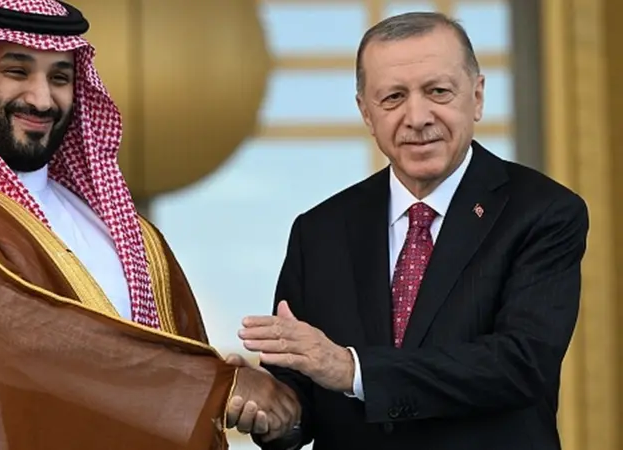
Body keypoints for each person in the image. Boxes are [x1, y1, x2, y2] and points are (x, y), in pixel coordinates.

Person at [0, 0, 299, 449]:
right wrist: (213, 386)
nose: (41, 99)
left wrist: (265, 407)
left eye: (59, 77)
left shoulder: (129, 235)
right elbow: (14, 334)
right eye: (17, 71)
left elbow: (178, 365)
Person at [236, 11, 589, 450]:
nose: (417, 117)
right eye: (393, 97)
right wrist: (272, 407)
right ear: (366, 113)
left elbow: (521, 364)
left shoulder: (543, 212)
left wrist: (355, 370)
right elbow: (303, 395)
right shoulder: (319, 231)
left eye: (438, 91)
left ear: (477, 97)